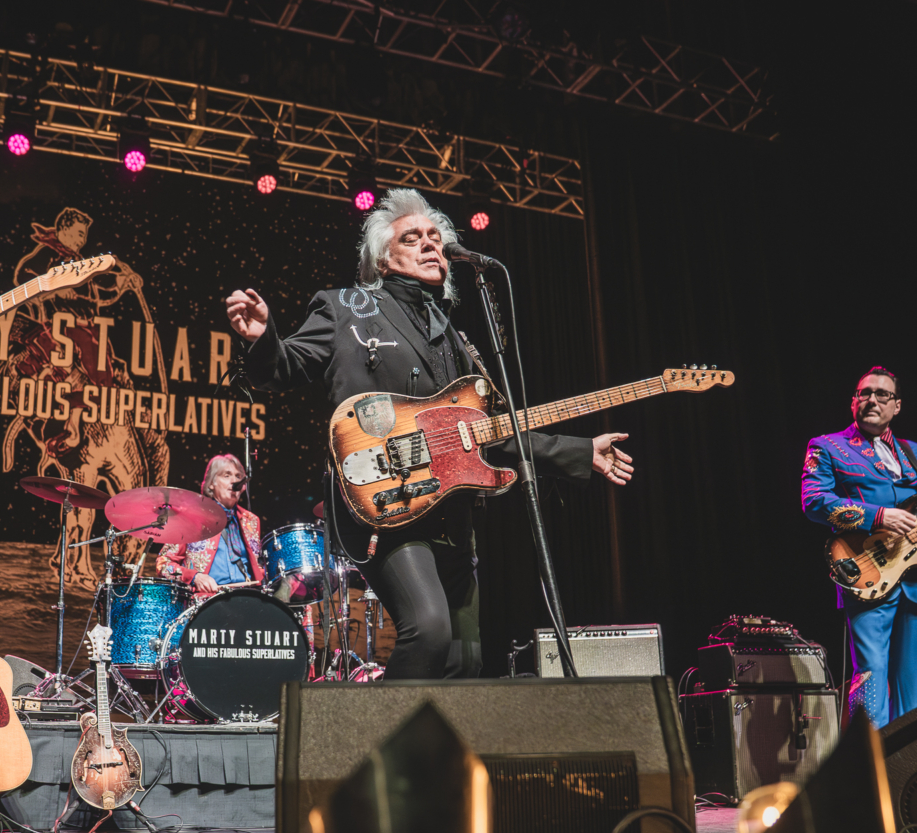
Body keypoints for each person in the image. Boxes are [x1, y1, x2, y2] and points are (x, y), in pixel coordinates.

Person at [224, 188, 632, 680]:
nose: (429, 244)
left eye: (435, 237)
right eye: (412, 237)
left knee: (465, 659)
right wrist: (262, 339)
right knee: (430, 630)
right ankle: (375, 734)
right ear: (383, 259)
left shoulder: (456, 341)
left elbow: (491, 434)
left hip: (452, 516)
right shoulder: (345, 307)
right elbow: (286, 366)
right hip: (385, 504)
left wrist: (580, 451)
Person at [802, 366, 917, 727]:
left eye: (882, 394)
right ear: (853, 402)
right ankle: (871, 759)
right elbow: (814, 501)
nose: (872, 399)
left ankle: (912, 757)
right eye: (865, 393)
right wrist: (879, 516)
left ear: (897, 405)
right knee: (871, 679)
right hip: (868, 573)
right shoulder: (827, 446)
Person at [158, 454, 265, 596]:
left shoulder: (250, 521)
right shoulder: (190, 517)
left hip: (247, 597)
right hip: (207, 600)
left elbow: (259, 567)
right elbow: (164, 564)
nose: (234, 481)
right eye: (227, 475)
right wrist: (195, 577)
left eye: (238, 477)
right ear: (211, 484)